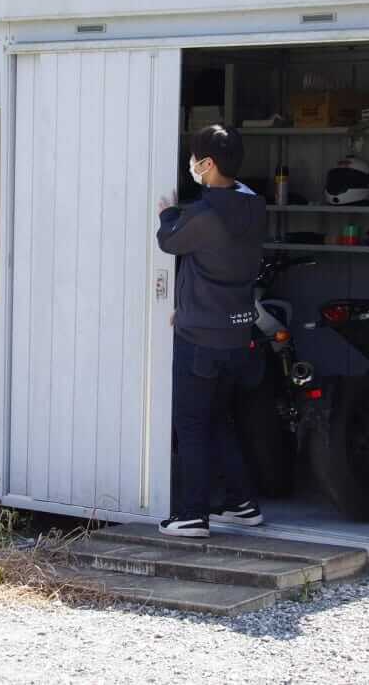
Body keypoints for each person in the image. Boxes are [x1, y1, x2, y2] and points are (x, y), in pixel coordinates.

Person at [156, 125, 268, 538]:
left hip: (199, 339)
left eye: (194, 158)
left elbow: (169, 241)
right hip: (237, 335)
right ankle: (241, 504)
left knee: (192, 424)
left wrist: (167, 213)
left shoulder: (203, 215)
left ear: (207, 164)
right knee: (219, 419)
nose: (191, 165)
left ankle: (192, 515)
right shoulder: (254, 206)